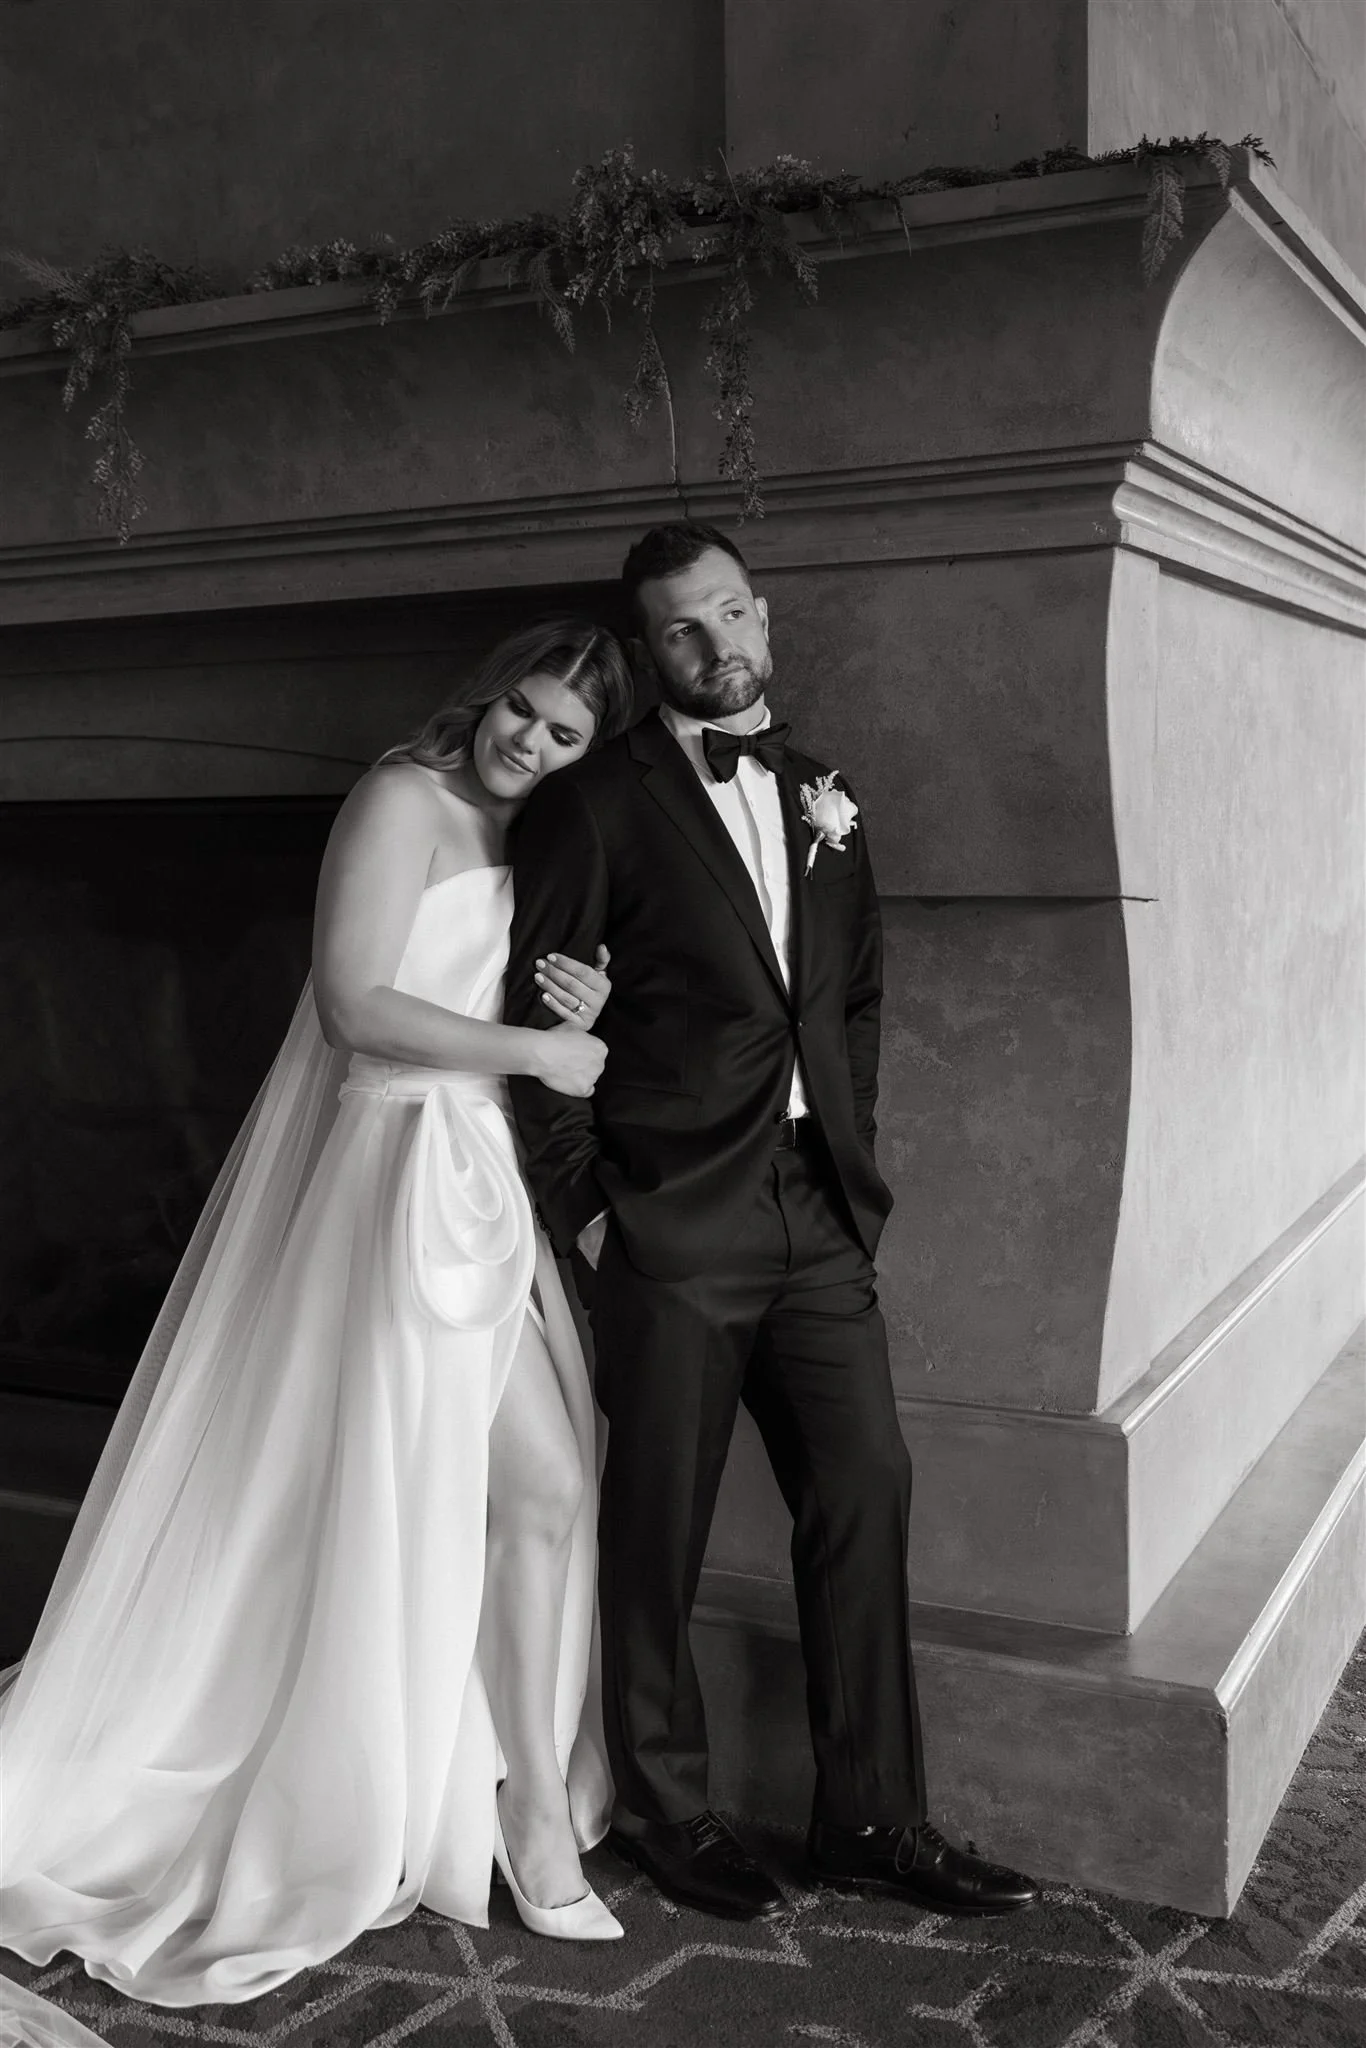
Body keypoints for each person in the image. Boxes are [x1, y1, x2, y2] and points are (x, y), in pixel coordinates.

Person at [0, 619, 635, 2028]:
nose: (529, 743)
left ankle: (514, 1797)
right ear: (489, 694)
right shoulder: (404, 794)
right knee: (484, 1485)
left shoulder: (535, 839)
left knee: (541, 1486)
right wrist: (536, 1048)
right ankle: (500, 1815)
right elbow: (354, 1005)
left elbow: (487, 996)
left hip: (477, 1169)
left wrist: (567, 1004)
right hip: (394, 1168)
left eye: (564, 734)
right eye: (522, 711)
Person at [506, 524, 1039, 1922]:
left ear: (763, 615)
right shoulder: (592, 803)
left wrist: (850, 1164)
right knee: (655, 1527)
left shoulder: (823, 792)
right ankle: (663, 1811)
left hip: (815, 1211)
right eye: (682, 629)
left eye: (732, 612)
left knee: (865, 1490)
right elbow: (533, 1024)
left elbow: (852, 998)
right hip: (669, 1219)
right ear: (649, 652)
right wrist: (593, 1218)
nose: (717, 644)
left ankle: (870, 1818)